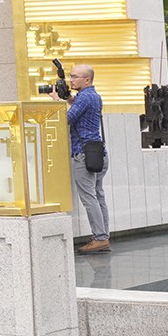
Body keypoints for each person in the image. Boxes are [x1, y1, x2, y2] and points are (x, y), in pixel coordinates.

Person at [66, 64, 112, 253]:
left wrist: (55, 100)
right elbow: (79, 110)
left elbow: (67, 119)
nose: (71, 80)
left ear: (87, 80)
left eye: (75, 77)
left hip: (83, 154)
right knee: (99, 195)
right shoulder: (94, 96)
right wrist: (68, 99)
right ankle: (104, 236)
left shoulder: (84, 97)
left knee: (89, 197)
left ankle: (99, 238)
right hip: (98, 153)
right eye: (70, 76)